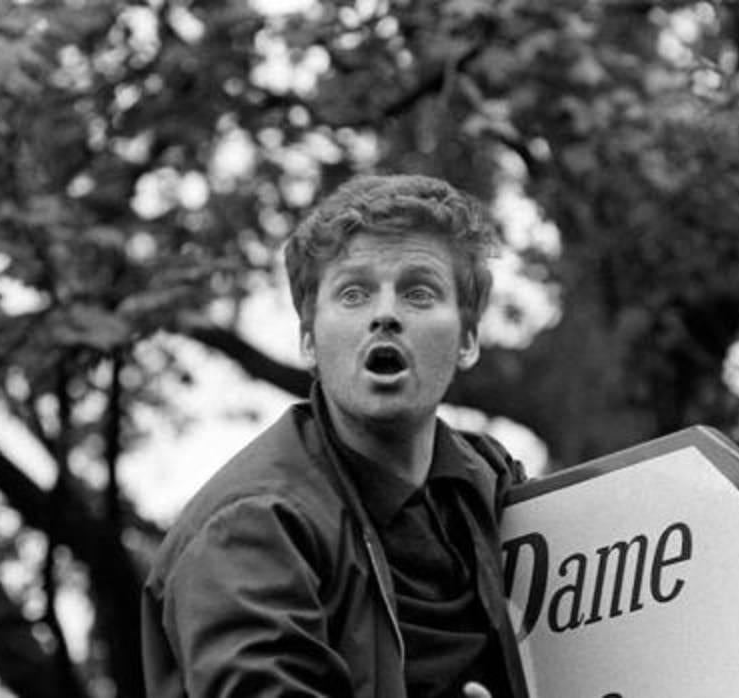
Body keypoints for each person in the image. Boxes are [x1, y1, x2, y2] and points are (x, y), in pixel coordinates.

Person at [140, 173, 529, 698]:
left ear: (468, 340)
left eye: (419, 292)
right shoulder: (251, 527)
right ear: (308, 339)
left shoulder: (492, 486)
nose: (385, 315)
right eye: (353, 294)